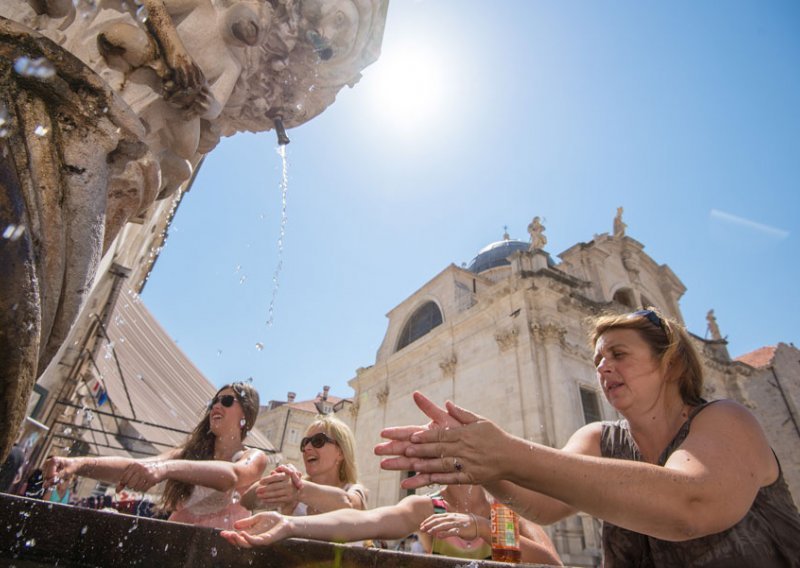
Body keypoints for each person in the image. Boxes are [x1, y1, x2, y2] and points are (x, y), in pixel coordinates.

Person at [376, 309, 800, 567]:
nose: (601, 368)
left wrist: (499, 463)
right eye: (597, 359)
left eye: (618, 354)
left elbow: (690, 504)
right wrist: (480, 462)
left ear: (671, 364)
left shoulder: (728, 420)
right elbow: (541, 503)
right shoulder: (598, 439)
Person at [44, 381, 268, 529]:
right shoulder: (189, 454)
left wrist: (165, 469)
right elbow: (134, 466)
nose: (217, 406)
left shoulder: (254, 456)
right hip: (174, 545)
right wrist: (76, 464)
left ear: (245, 416)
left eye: (227, 401)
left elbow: (232, 476)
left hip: (220, 555)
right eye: (214, 401)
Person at [224, 475, 561, 564]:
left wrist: (482, 530)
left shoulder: (500, 511)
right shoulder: (428, 508)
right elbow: (366, 521)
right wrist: (294, 525)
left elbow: (550, 564)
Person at [241, 414, 367, 516]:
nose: (307, 448)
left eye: (318, 441)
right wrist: (277, 479)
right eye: (305, 442)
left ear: (340, 452)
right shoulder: (292, 486)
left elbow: (350, 504)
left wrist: (299, 490)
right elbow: (247, 501)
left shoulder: (355, 490)